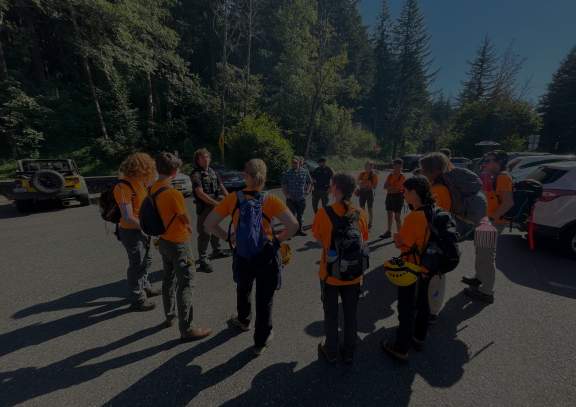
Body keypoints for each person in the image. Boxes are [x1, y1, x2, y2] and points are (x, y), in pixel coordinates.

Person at [204, 159, 299, 355]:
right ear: (264, 178)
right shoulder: (271, 199)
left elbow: (209, 223)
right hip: (266, 256)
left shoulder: (232, 198)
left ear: (245, 177)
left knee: (244, 287)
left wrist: (229, 238)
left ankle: (243, 320)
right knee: (265, 300)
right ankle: (260, 342)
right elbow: (294, 226)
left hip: (243, 254)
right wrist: (278, 240)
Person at [151, 152, 211, 341]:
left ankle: (170, 315)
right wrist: (184, 223)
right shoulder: (173, 193)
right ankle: (187, 328)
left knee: (169, 278)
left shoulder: (151, 189)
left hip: (163, 241)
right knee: (185, 283)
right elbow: (186, 218)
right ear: (175, 171)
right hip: (179, 243)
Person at [312, 171, 369, 364]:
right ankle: (350, 350)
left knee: (330, 312)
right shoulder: (360, 213)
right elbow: (364, 240)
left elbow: (319, 239)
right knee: (351, 313)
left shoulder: (324, 212)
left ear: (335, 187)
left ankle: (331, 350)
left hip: (330, 274)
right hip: (353, 274)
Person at [382, 175, 435, 364]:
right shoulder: (433, 210)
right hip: (429, 265)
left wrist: (398, 241)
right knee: (423, 303)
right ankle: (418, 338)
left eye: (404, 191)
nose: (402, 194)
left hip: (412, 268)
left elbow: (403, 245)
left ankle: (400, 348)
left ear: (413, 192)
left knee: (406, 308)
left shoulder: (414, 217)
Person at [462, 150, 514, 303]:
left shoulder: (503, 178)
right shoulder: (496, 177)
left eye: (488, 161)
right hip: (488, 219)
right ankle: (479, 278)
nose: (484, 163)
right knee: (480, 251)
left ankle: (486, 291)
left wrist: (491, 218)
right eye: (484, 161)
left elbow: (508, 202)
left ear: (499, 161)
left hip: (494, 222)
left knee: (486, 255)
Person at [114, 152, 161, 311]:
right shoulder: (123, 186)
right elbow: (127, 217)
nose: (151, 172)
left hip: (142, 230)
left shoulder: (139, 183)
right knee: (137, 264)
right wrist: (148, 228)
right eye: (149, 168)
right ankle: (137, 299)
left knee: (147, 260)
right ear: (140, 168)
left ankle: (145, 287)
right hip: (132, 232)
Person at [419, 152, 451, 324]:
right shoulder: (442, 186)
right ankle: (430, 308)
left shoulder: (438, 190)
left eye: (423, 168)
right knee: (433, 274)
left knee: (435, 274)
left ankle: (431, 311)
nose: (421, 171)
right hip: (439, 236)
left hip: (435, 239)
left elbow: (429, 217)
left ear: (432, 170)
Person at [191, 148, 231, 273]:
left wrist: (230, 199)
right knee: (204, 233)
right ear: (198, 160)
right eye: (203, 157)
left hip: (215, 204)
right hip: (205, 206)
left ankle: (217, 251)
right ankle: (203, 261)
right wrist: (216, 203)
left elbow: (222, 187)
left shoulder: (214, 172)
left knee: (215, 228)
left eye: (207, 157)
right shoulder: (196, 173)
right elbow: (200, 193)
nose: (206, 159)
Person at [281, 156, 313, 236]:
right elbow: (282, 183)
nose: (293, 164)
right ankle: (290, 232)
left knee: (300, 215)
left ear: (299, 162)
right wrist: (285, 194)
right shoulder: (288, 172)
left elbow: (309, 182)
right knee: (290, 216)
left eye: (295, 162)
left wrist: (306, 193)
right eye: (292, 163)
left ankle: (300, 230)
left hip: (301, 198)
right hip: (291, 198)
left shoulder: (305, 172)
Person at [380, 158, 406, 239]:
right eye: (393, 164)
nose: (393, 166)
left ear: (400, 165)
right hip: (390, 196)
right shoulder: (390, 175)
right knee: (389, 215)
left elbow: (398, 189)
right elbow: (385, 186)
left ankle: (399, 234)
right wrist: (394, 187)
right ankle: (388, 231)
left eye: (395, 164)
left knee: (397, 217)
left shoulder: (402, 176)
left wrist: (390, 187)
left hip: (397, 197)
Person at [357, 161, 379, 229]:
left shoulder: (374, 174)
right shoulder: (362, 173)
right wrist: (360, 182)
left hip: (369, 192)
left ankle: (370, 223)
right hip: (362, 192)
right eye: (365, 165)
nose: (365, 166)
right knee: (362, 208)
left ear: (371, 166)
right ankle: (363, 222)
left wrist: (365, 186)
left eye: (367, 165)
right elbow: (357, 181)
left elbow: (375, 186)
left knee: (370, 208)